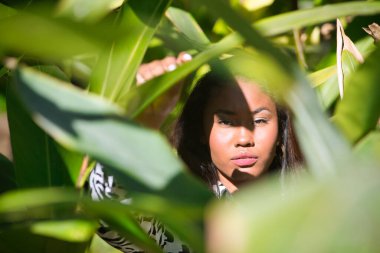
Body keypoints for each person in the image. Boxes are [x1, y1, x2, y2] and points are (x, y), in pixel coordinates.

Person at [88, 52, 303, 252]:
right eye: (226, 122)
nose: (244, 138)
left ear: (281, 129)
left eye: (259, 120)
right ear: (201, 130)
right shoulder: (180, 214)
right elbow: (107, 211)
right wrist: (144, 123)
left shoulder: (314, 209)